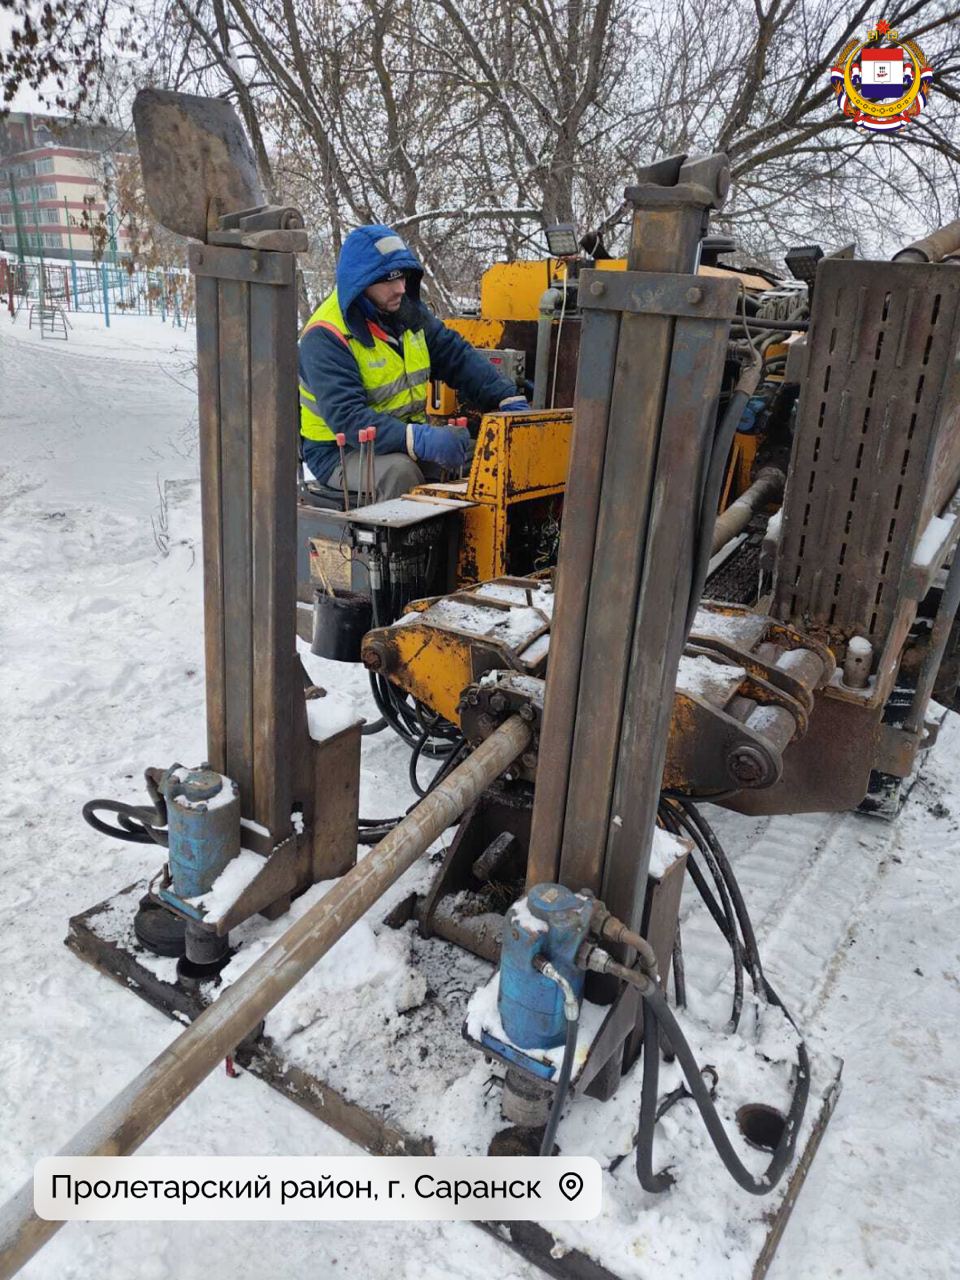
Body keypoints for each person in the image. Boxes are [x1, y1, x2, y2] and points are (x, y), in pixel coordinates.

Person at [299, 225, 531, 502]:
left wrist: (506, 397)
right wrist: (421, 440)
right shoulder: (326, 336)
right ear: (360, 282)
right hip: (340, 452)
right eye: (387, 280)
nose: (400, 288)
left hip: (402, 437)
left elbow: (455, 355)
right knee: (401, 473)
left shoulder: (406, 311)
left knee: (484, 458)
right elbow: (348, 418)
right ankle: (404, 547)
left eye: (403, 278)